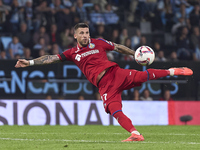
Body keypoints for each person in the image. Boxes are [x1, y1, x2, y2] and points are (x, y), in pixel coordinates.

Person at [15, 23, 193, 142]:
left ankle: (173, 71)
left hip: (114, 74)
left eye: (87, 33)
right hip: (104, 86)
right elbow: (51, 58)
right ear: (75, 36)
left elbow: (117, 47)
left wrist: (135, 55)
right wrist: (30, 62)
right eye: (82, 33)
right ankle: (135, 134)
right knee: (115, 111)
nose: (86, 36)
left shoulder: (98, 43)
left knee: (141, 76)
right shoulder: (71, 53)